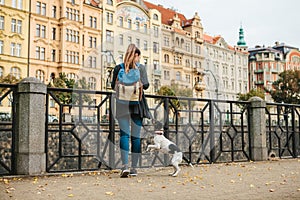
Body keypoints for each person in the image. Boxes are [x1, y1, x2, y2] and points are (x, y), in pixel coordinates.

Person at [111, 44, 150, 178]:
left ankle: (124, 166)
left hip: (122, 105)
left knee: (124, 135)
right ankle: (134, 168)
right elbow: (146, 85)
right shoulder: (141, 68)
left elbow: (112, 86)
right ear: (137, 55)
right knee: (136, 137)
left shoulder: (118, 68)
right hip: (137, 105)